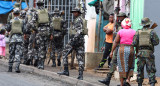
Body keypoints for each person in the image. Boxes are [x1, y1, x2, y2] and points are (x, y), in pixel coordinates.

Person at [58, 7, 87, 80]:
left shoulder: (78, 20)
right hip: (80, 40)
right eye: (73, 12)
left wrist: (74, 41)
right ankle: (80, 75)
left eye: (75, 12)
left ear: (78, 13)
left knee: (65, 52)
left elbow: (79, 31)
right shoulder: (79, 19)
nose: (74, 13)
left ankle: (66, 71)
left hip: (76, 40)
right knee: (80, 58)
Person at [98, 12, 127, 85]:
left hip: (124, 46)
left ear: (124, 17)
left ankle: (124, 82)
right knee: (113, 62)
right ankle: (107, 79)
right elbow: (113, 33)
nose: (119, 18)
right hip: (117, 46)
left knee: (124, 64)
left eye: (121, 17)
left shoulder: (127, 25)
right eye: (119, 17)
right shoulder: (117, 24)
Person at [132, 17, 159, 86]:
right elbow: (156, 42)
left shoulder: (138, 32)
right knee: (151, 70)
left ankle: (140, 84)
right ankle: (152, 84)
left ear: (142, 24)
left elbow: (134, 43)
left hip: (140, 53)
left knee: (140, 70)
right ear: (149, 24)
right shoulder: (152, 32)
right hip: (149, 53)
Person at [27, 0, 53, 69]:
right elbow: (51, 24)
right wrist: (51, 33)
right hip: (47, 31)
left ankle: (40, 64)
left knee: (39, 47)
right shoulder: (48, 12)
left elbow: (31, 23)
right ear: (43, 4)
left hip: (40, 31)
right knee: (44, 47)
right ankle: (42, 63)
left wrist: (36, 29)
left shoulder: (36, 12)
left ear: (38, 4)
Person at [109, 18, 136, 86]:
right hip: (131, 49)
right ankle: (127, 80)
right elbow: (136, 43)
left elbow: (115, 42)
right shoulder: (134, 32)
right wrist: (137, 52)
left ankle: (122, 84)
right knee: (130, 64)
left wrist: (112, 51)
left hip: (122, 49)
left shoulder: (120, 31)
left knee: (121, 66)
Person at [6, 8, 25, 73]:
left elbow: (8, 29)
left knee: (11, 53)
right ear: (19, 14)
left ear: (13, 14)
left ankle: (10, 68)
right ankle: (17, 67)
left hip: (12, 39)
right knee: (18, 53)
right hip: (19, 39)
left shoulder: (11, 21)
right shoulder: (22, 21)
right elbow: (24, 30)